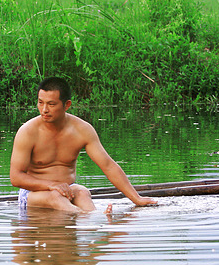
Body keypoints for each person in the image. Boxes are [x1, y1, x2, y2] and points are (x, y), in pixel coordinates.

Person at [10, 77, 157, 213]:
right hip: (33, 194)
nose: (44, 110)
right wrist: (50, 185)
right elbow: (16, 177)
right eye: (40, 103)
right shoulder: (28, 132)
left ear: (67, 105)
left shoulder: (82, 130)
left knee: (82, 192)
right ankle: (87, 217)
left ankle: (95, 217)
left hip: (67, 189)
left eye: (51, 104)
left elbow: (108, 165)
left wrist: (136, 199)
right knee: (55, 197)